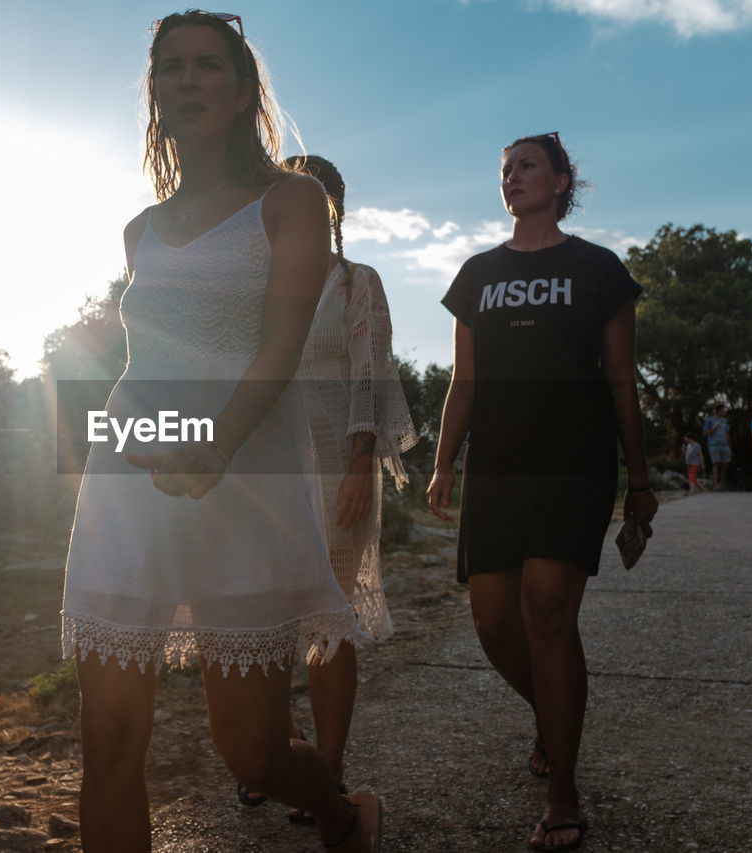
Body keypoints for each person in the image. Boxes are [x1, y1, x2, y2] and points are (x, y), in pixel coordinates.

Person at [60, 12, 381, 852]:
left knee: (251, 751)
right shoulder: (140, 228)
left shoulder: (291, 200)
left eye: (209, 66)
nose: (187, 80)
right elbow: (137, 363)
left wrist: (217, 439)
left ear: (244, 94)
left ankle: (347, 817)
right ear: (155, 95)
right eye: (171, 68)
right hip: (130, 478)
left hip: (244, 478)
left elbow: (280, 341)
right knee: (108, 742)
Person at [427, 132, 658, 852]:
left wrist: (641, 477)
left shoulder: (598, 269)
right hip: (497, 464)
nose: (513, 176)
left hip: (574, 460)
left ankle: (563, 790)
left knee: (548, 611)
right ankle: (553, 718)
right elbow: (463, 381)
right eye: (505, 169)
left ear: (563, 181)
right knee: (495, 623)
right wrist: (443, 463)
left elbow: (621, 380)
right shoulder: (477, 274)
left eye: (528, 165)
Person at [275, 153, 416, 822]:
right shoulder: (261, 284)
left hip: (338, 469)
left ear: (332, 208)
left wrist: (362, 459)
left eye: (310, 196)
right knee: (267, 616)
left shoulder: (355, 281)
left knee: (328, 619)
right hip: (268, 472)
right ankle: (281, 758)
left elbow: (370, 372)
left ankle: (327, 772)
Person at [701, 403, 731, 490]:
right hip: (714, 445)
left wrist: (729, 446)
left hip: (724, 445)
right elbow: (705, 433)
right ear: (718, 410)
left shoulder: (724, 421)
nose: (725, 411)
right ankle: (715, 485)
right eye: (723, 409)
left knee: (725, 465)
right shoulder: (710, 420)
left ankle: (722, 485)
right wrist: (714, 428)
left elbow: (727, 434)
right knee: (716, 464)